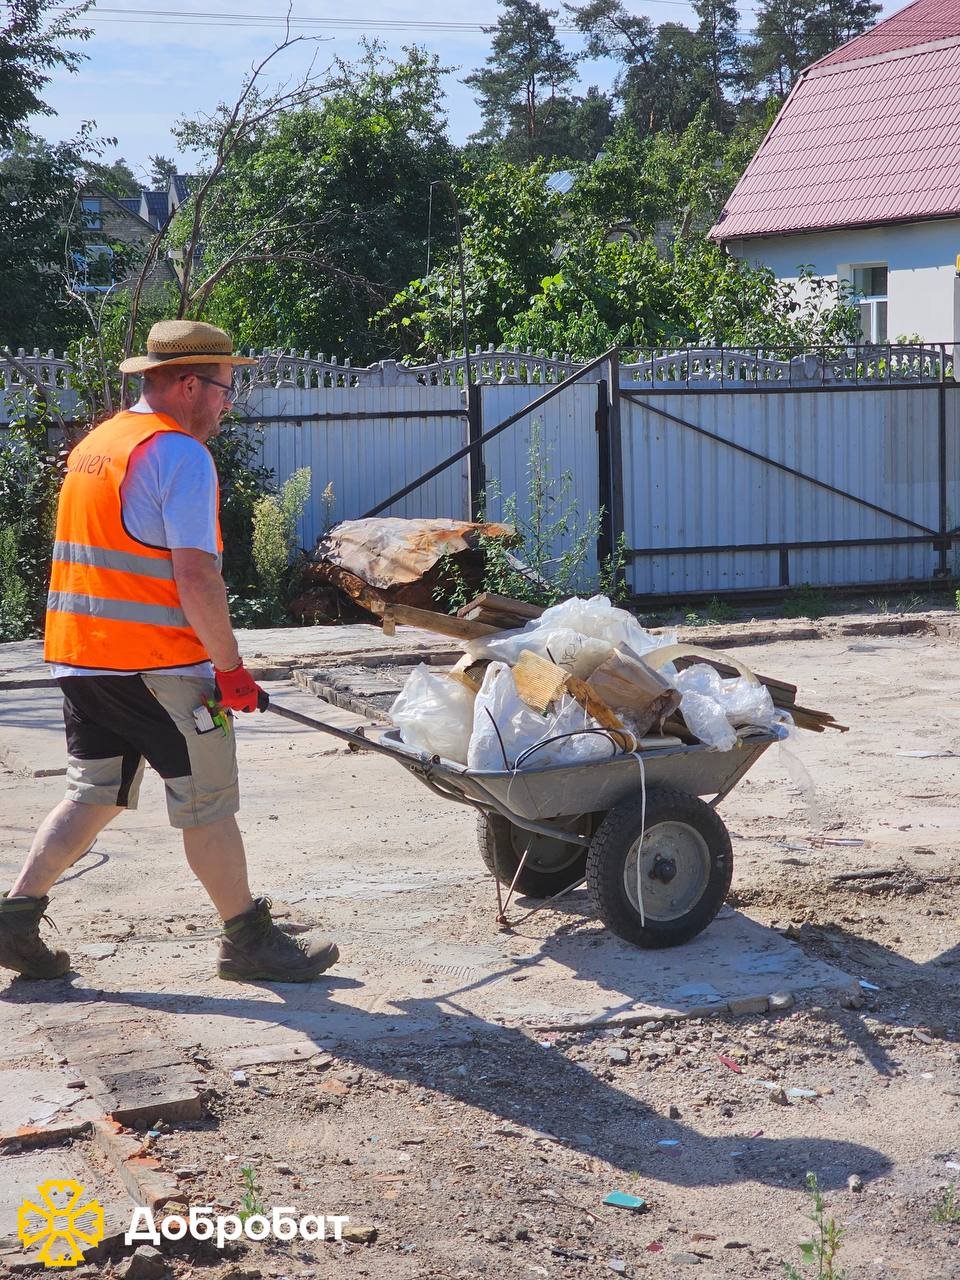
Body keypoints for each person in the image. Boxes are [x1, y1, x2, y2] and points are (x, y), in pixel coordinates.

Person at [0, 320, 338, 984]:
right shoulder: (180, 456)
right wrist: (231, 670)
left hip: (82, 662)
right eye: (223, 388)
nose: (226, 403)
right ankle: (247, 940)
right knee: (207, 801)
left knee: (92, 793)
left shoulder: (100, 445)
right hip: (157, 668)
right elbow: (197, 578)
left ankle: (15, 918)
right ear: (188, 384)